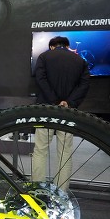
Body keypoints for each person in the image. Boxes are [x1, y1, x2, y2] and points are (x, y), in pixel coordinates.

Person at [32, 36, 90, 191]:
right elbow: (84, 84)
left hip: (45, 109)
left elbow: (40, 79)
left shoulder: (44, 57)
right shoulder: (79, 60)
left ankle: (37, 190)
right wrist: (68, 102)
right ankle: (61, 192)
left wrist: (54, 100)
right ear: (67, 46)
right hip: (68, 112)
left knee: (40, 150)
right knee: (65, 153)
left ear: (52, 46)